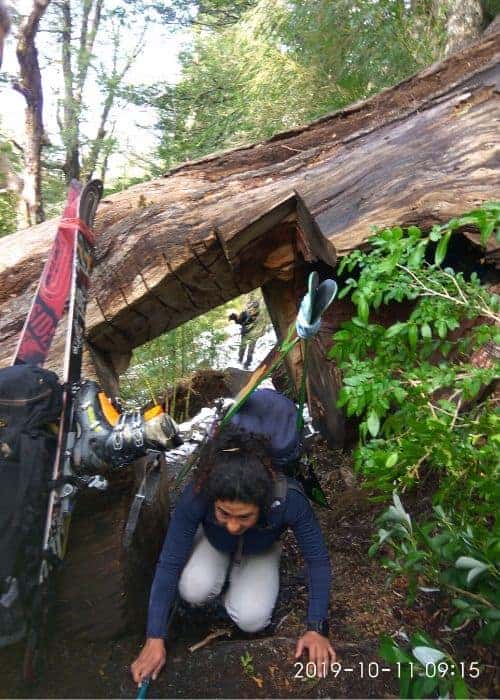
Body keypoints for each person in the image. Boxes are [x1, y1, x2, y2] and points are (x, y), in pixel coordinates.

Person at [131, 400, 335, 685]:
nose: (233, 525)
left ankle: (245, 577)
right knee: (193, 588)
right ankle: (212, 563)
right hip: (214, 543)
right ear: (212, 498)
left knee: (252, 619)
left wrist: (316, 628)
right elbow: (170, 560)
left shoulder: (288, 499)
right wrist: (154, 637)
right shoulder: (199, 492)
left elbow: (317, 560)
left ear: (262, 505)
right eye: (223, 513)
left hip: (261, 548)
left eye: (244, 517)